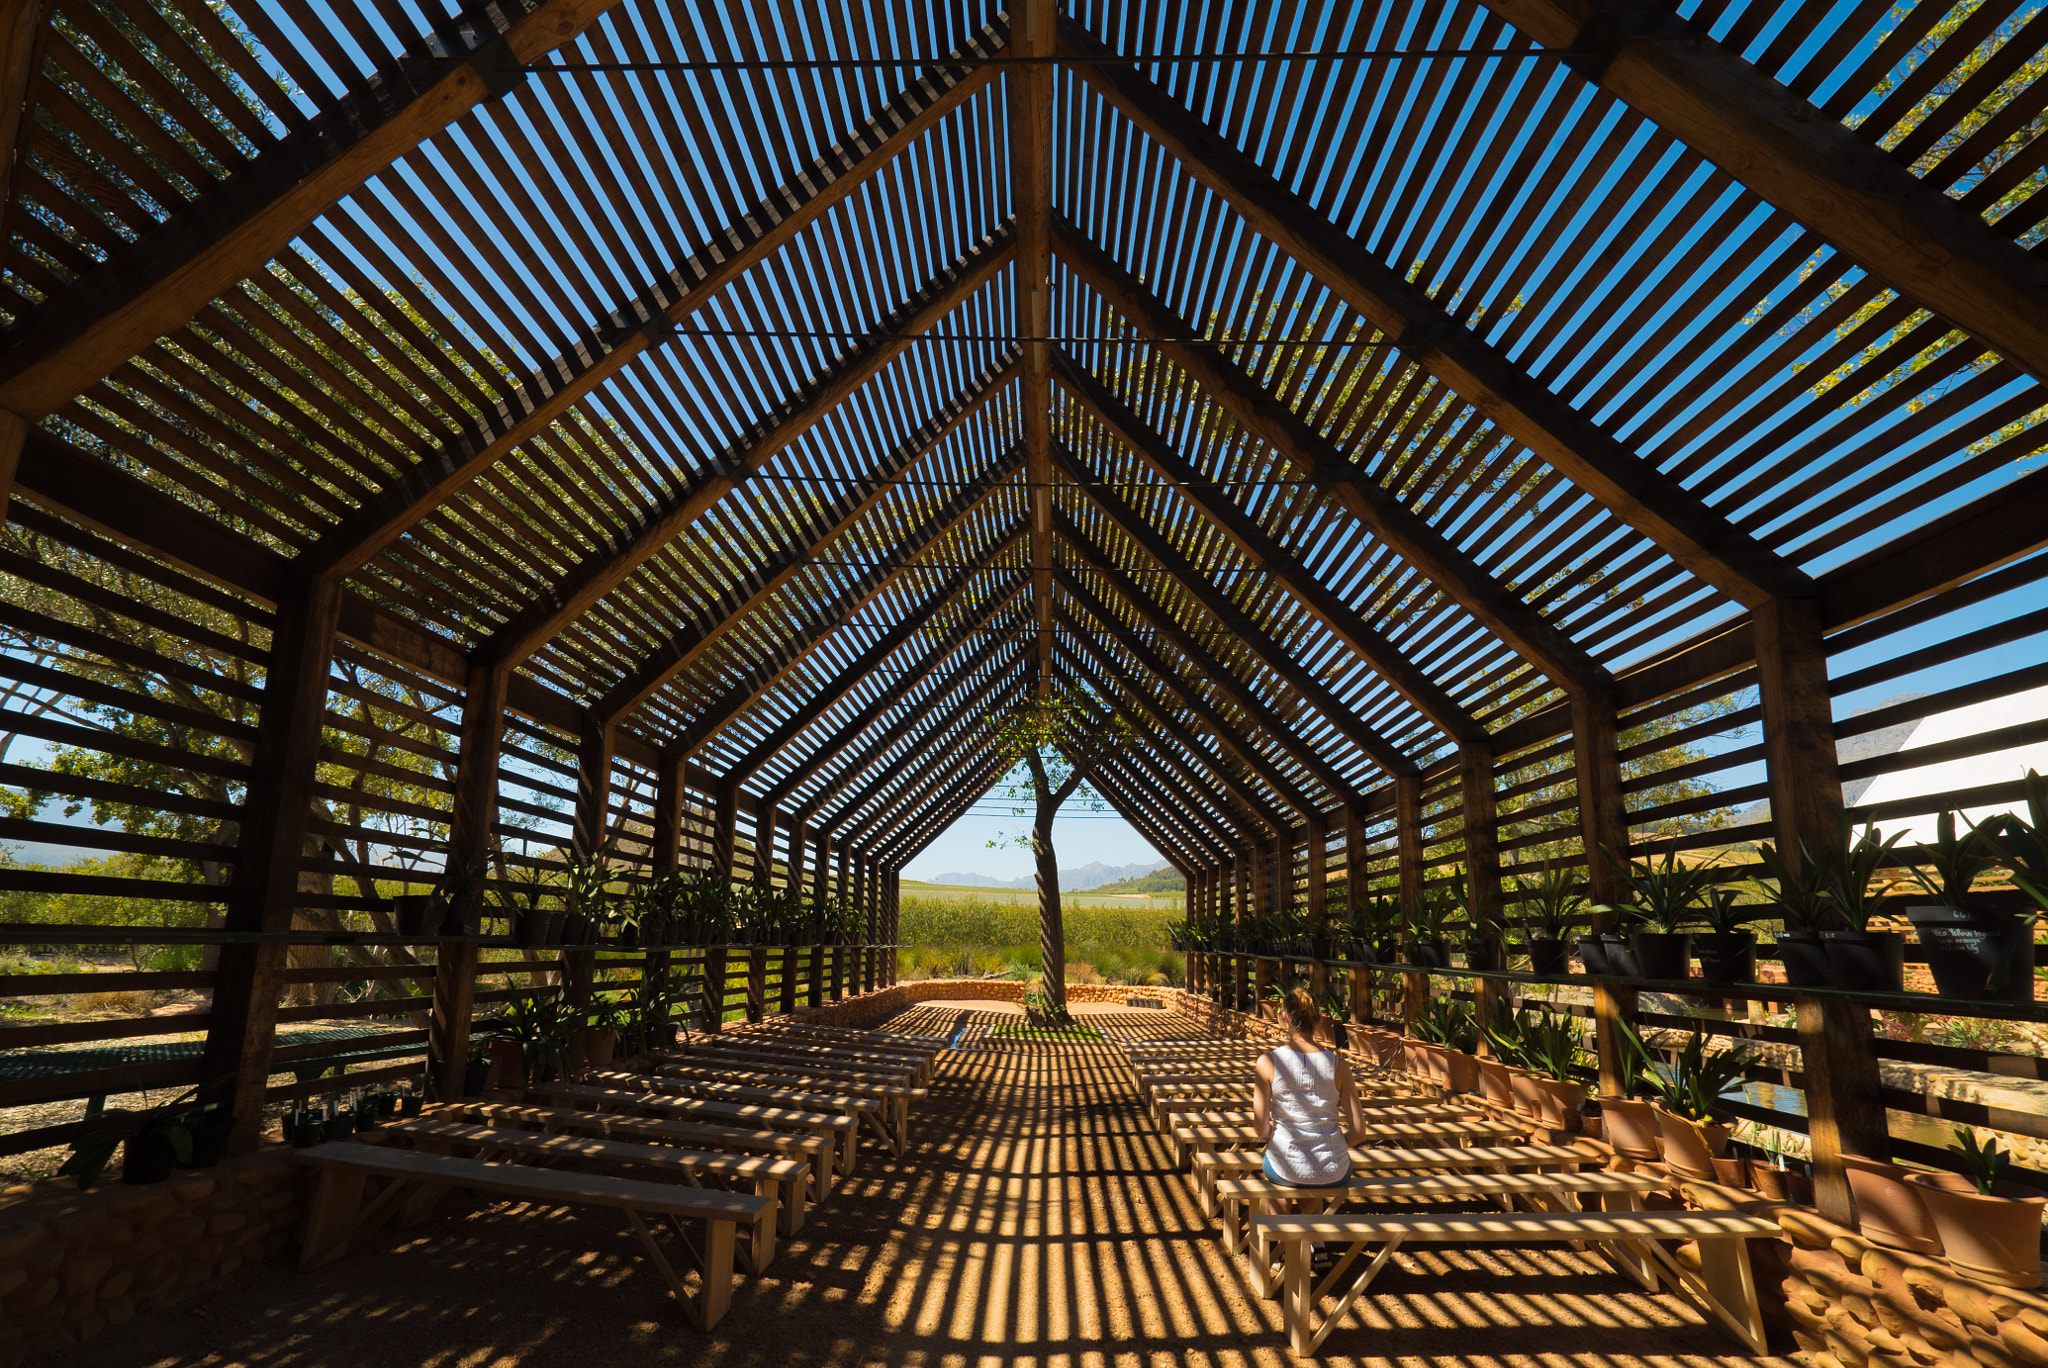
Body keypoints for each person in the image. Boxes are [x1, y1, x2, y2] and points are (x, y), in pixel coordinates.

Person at [1253, 986, 1369, 1207]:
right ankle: (1315, 1240)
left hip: (1286, 1163)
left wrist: (1274, 1131)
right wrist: (1334, 1145)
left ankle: (1280, 1236)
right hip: (1334, 1168)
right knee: (1313, 1178)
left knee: (1281, 1173)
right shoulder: (1339, 1066)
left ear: (1285, 1018)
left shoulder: (1267, 1063)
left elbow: (1260, 1129)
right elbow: (1359, 1133)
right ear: (1317, 1020)